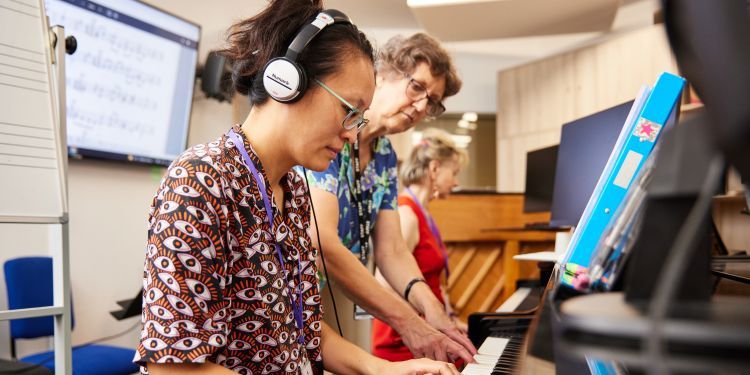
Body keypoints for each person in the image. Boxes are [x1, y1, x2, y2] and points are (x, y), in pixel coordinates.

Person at [134, 2, 459, 374]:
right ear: (289, 83)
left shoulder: (294, 192)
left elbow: (302, 330)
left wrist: (380, 369)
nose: (353, 134)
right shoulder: (200, 181)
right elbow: (171, 367)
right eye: (348, 110)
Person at [305, 33, 477, 363]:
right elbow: (322, 242)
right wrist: (408, 322)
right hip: (291, 292)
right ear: (381, 74)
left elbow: (392, 249)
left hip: (334, 295)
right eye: (417, 87)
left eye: (433, 102)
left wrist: (432, 309)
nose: (423, 107)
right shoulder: (335, 134)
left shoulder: (384, 153)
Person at [371, 129, 468, 361]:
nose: (456, 182)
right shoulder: (406, 213)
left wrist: (451, 321)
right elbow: (384, 284)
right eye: (453, 173)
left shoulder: (423, 213)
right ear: (434, 169)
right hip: (404, 342)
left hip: (428, 331)